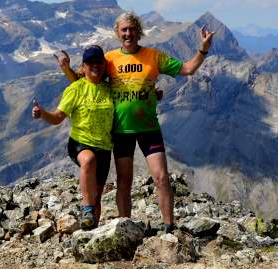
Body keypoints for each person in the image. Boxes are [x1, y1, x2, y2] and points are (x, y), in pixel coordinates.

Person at [59, 12, 214, 234]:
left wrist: (203, 49)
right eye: (124, 30)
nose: (128, 33)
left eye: (132, 29)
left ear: (138, 31)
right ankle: (125, 228)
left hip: (149, 128)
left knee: (161, 177)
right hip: (121, 130)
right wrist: (66, 70)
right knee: (124, 182)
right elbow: (87, 81)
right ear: (118, 33)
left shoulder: (154, 56)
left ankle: (169, 228)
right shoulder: (109, 59)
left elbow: (187, 69)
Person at [33, 45, 113, 229]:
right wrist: (42, 113)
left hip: (105, 147)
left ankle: (91, 231)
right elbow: (58, 117)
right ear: (83, 66)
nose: (95, 65)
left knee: (97, 196)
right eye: (90, 62)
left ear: (104, 64)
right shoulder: (75, 89)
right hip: (80, 143)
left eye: (98, 62)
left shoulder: (110, 89)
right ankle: (86, 210)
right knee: (89, 160)